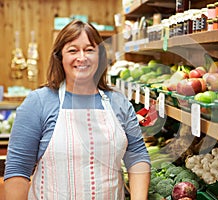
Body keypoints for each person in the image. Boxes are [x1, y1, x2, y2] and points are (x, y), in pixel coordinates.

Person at [4, 19, 151, 200]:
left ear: (100, 56)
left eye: (89, 50)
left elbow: (137, 157)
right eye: (73, 50)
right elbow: (18, 169)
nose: (82, 57)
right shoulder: (39, 102)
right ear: (60, 57)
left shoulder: (118, 102)